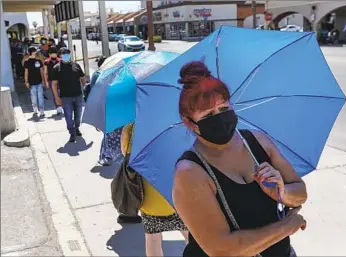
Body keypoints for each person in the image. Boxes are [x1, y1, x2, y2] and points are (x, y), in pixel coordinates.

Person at [173, 61, 307, 257]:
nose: (219, 117)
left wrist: (280, 192)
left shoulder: (258, 141)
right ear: (190, 123)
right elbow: (221, 249)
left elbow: (300, 193)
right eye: (208, 114)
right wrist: (285, 227)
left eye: (224, 108)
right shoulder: (190, 172)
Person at [121, 123, 188, 256]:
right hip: (174, 195)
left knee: (153, 237)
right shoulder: (174, 126)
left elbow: (125, 154)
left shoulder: (131, 128)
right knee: (190, 234)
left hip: (148, 196)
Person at [52, 48, 87, 143]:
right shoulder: (56, 68)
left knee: (78, 115)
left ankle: (77, 128)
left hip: (78, 95)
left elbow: (83, 78)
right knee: (68, 116)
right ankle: (72, 132)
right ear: (60, 56)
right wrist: (56, 97)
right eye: (64, 54)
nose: (66, 56)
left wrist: (86, 89)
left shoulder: (76, 66)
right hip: (65, 97)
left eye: (67, 54)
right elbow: (54, 84)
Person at [24, 46, 47, 117]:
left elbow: (41, 71)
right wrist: (26, 82)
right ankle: (35, 109)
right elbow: (26, 72)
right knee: (33, 97)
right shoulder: (27, 62)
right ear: (31, 52)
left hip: (39, 82)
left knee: (40, 97)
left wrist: (43, 80)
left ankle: (42, 110)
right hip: (31, 83)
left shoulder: (39, 61)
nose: (36, 52)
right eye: (34, 51)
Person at [44, 46, 63, 115]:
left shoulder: (60, 61)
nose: (53, 55)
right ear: (49, 54)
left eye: (55, 53)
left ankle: (62, 105)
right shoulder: (46, 62)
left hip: (60, 80)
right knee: (55, 94)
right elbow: (45, 73)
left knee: (62, 93)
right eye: (52, 53)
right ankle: (58, 108)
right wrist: (46, 82)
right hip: (51, 81)